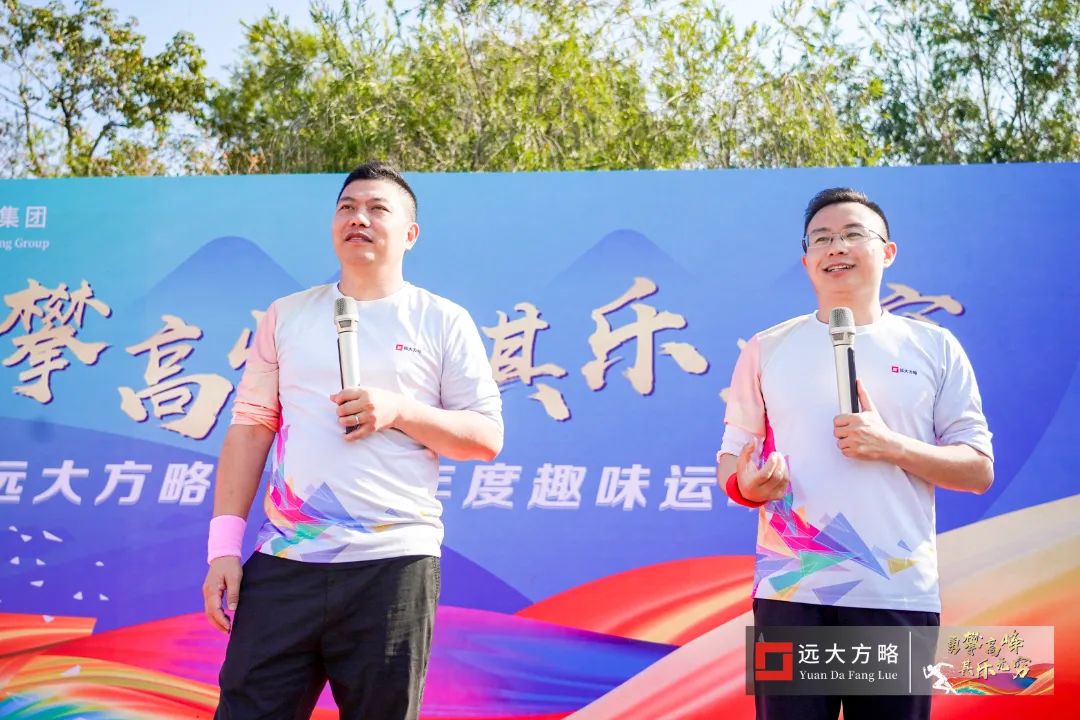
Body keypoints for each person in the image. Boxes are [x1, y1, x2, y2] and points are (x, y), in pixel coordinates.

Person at [201, 161, 503, 720]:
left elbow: (484, 437)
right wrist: (223, 549)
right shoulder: (287, 316)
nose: (358, 218)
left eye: (376, 208)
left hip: (392, 563)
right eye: (347, 207)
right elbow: (250, 428)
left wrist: (400, 411)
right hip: (287, 558)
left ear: (410, 233)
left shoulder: (442, 320)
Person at [716, 188, 994, 720]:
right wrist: (746, 485)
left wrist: (891, 445)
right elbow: (732, 456)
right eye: (821, 239)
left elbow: (978, 469)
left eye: (852, 234)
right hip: (793, 590)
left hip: (895, 592)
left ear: (887, 252)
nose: (835, 247)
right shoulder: (767, 348)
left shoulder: (933, 347)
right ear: (806, 261)